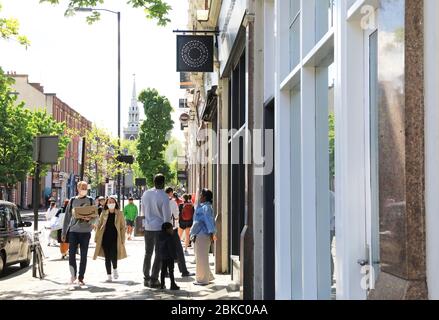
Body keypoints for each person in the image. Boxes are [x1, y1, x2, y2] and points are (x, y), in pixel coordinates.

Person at [61, 181, 97, 286]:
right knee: (71, 254)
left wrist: (89, 219)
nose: (84, 189)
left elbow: (95, 217)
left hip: (85, 232)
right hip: (73, 231)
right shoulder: (72, 200)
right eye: (82, 187)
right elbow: (67, 217)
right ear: (78, 188)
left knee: (84, 256)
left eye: (86, 187)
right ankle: (73, 275)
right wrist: (64, 232)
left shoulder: (90, 200)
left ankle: (81, 277)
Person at [141, 174, 172, 288]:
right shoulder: (164, 196)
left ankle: (146, 277)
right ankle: (154, 279)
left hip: (148, 227)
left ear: (153, 181)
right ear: (163, 182)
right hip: (159, 228)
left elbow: (143, 211)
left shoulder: (146, 194)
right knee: (158, 254)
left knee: (148, 253)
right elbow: (167, 216)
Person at [94, 197, 127, 282]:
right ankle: (109, 275)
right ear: (107, 204)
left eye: (112, 202)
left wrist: (123, 239)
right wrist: (96, 237)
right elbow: (99, 225)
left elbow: (123, 227)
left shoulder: (120, 213)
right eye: (109, 202)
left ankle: (115, 269)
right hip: (105, 238)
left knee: (114, 255)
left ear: (115, 203)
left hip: (116, 238)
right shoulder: (104, 213)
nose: (111, 203)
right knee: (107, 257)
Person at [166, 187, 194, 277]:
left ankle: (165, 271)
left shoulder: (158, 200)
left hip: (160, 229)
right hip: (171, 228)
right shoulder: (172, 202)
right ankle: (184, 271)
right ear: (170, 193)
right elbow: (176, 216)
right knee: (178, 249)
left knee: (163, 250)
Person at [190, 188, 216, 285]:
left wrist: (212, 233)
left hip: (202, 235)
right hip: (201, 234)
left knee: (201, 258)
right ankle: (207, 276)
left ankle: (202, 279)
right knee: (202, 256)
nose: (200, 197)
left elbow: (208, 221)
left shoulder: (206, 207)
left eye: (201, 195)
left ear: (204, 197)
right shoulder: (205, 207)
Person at [158, 222, 180, 290]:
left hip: (163, 256)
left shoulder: (160, 236)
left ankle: (162, 284)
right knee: (171, 271)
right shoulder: (170, 238)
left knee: (163, 271)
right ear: (167, 230)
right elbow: (171, 249)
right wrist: (175, 257)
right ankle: (172, 284)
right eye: (171, 229)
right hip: (169, 257)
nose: (172, 230)